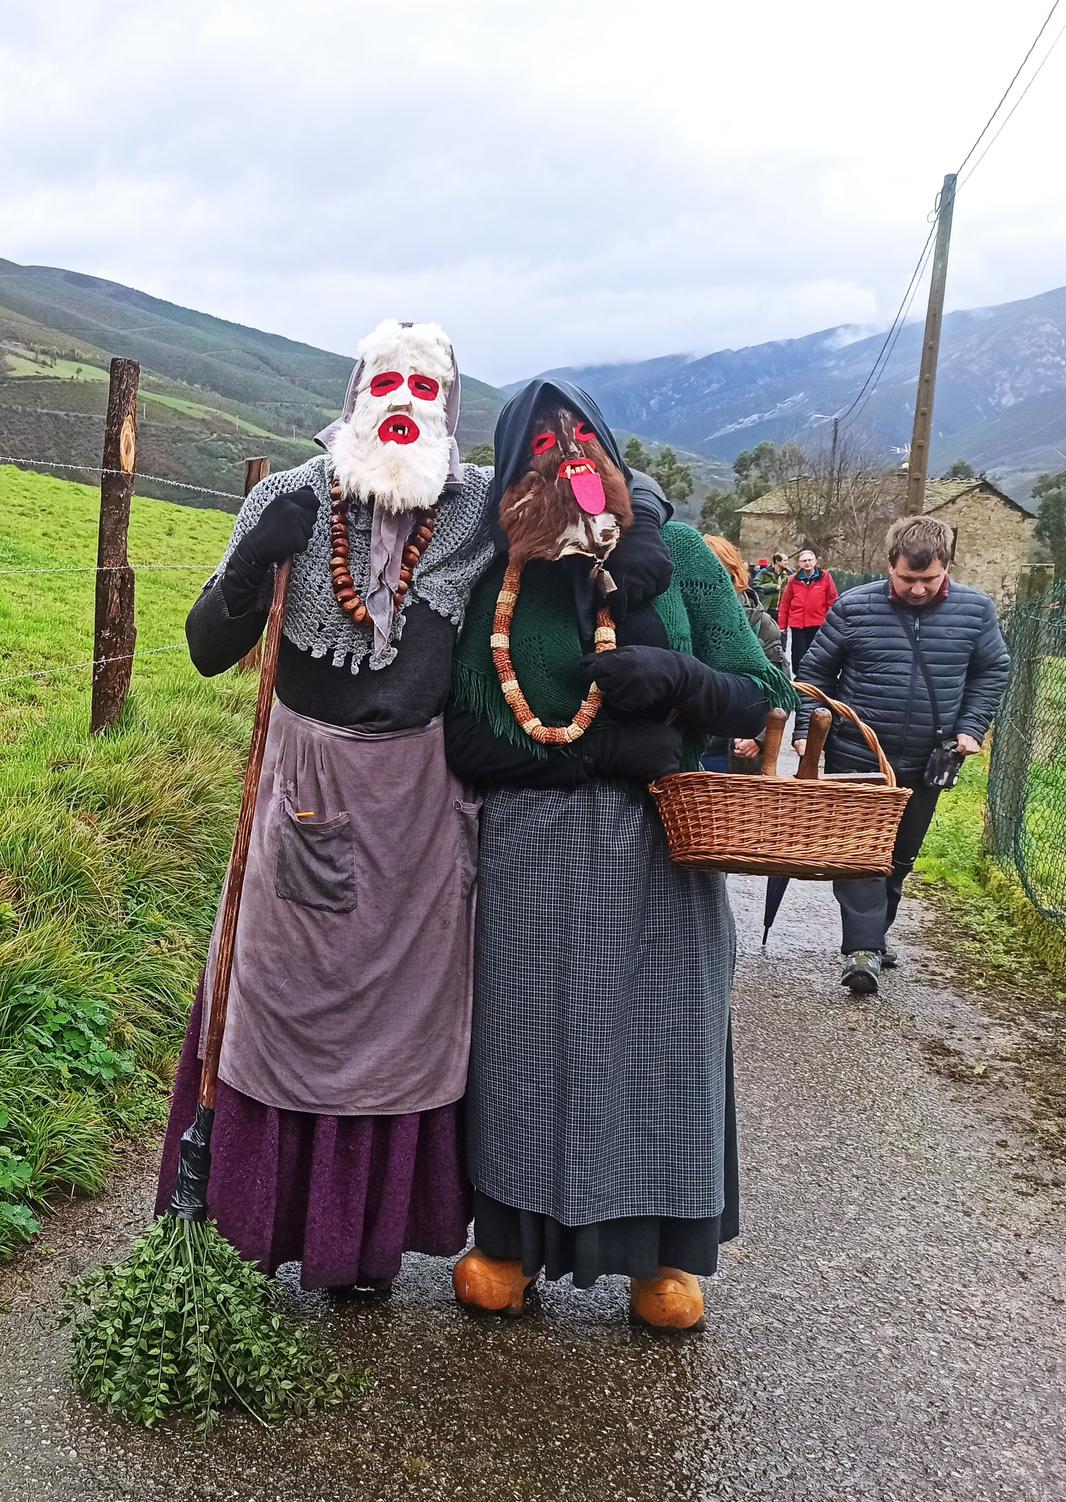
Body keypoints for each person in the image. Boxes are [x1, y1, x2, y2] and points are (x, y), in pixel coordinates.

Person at [158, 324, 675, 1294]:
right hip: (303, 797)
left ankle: (359, 1254)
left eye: (421, 386)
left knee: (400, 1030)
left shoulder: (478, 504)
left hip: (424, 814)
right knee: (281, 1005)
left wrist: (635, 521)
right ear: (353, 397)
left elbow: (613, 488)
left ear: (445, 409)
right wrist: (242, 571)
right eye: (383, 382)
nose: (401, 400)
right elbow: (200, 646)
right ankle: (240, 1234)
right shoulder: (288, 500)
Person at [444, 379, 796, 1330]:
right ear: (511, 472)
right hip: (530, 856)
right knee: (526, 1049)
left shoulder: (679, 556)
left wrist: (680, 680)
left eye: (580, 441)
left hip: (662, 853)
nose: (564, 461)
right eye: (540, 448)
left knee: (662, 1046)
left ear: (608, 451)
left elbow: (766, 692)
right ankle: (512, 1246)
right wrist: (592, 750)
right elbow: (467, 735)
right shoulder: (495, 577)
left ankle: (658, 1264)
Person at [797, 516, 1010, 994]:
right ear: (889, 565)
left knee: (900, 855)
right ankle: (863, 950)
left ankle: (875, 933)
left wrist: (971, 728)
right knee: (858, 853)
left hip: (928, 759)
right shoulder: (854, 608)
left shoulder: (976, 612)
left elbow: (991, 672)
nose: (917, 589)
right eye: (907, 578)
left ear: (947, 568)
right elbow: (815, 675)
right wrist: (807, 731)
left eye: (928, 579)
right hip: (858, 755)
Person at [704, 534, 789, 773]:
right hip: (686, 755)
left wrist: (759, 738)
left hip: (734, 759)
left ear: (732, 574)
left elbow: (781, 692)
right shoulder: (682, 620)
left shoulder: (761, 625)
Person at [779, 547, 838, 671]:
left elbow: (831, 600)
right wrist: (782, 626)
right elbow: (785, 604)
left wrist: (829, 621)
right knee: (798, 655)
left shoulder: (825, 577)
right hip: (798, 624)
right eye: (804, 561)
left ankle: (815, 677)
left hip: (818, 623)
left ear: (815, 561)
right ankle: (799, 679)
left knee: (817, 653)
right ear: (799, 563)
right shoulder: (793, 580)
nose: (807, 563)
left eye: (809, 560)